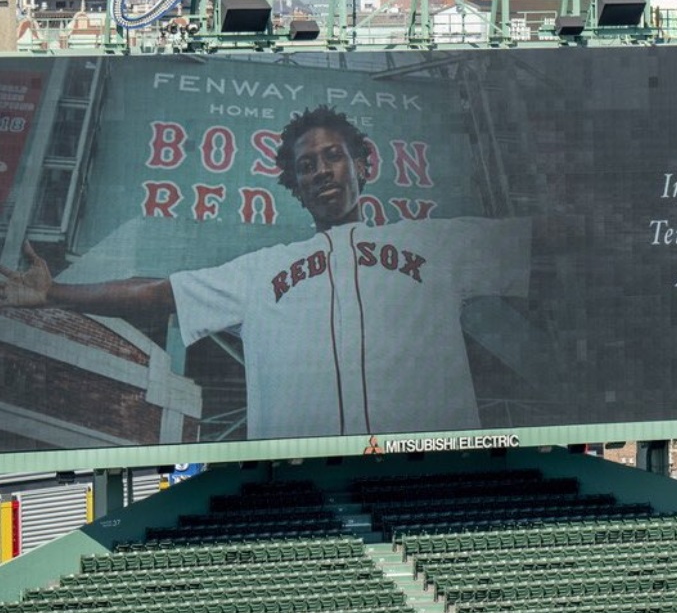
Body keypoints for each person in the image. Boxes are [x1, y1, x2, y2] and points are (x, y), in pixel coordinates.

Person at [0, 106, 531, 441]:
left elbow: (554, 241)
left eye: (334, 157)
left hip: (431, 474)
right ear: (295, 186)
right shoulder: (261, 271)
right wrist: (54, 293)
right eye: (306, 166)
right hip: (305, 486)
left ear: (363, 165)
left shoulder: (436, 243)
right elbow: (160, 294)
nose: (321, 170)